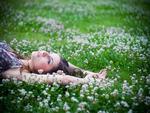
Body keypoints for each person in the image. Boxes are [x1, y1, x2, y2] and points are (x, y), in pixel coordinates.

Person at [0, 42, 107, 85]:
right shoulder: (18, 59)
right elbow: (68, 66)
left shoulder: (14, 73)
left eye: (49, 60)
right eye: (49, 53)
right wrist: (86, 72)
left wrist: (86, 81)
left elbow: (63, 79)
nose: (45, 52)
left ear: (43, 73)